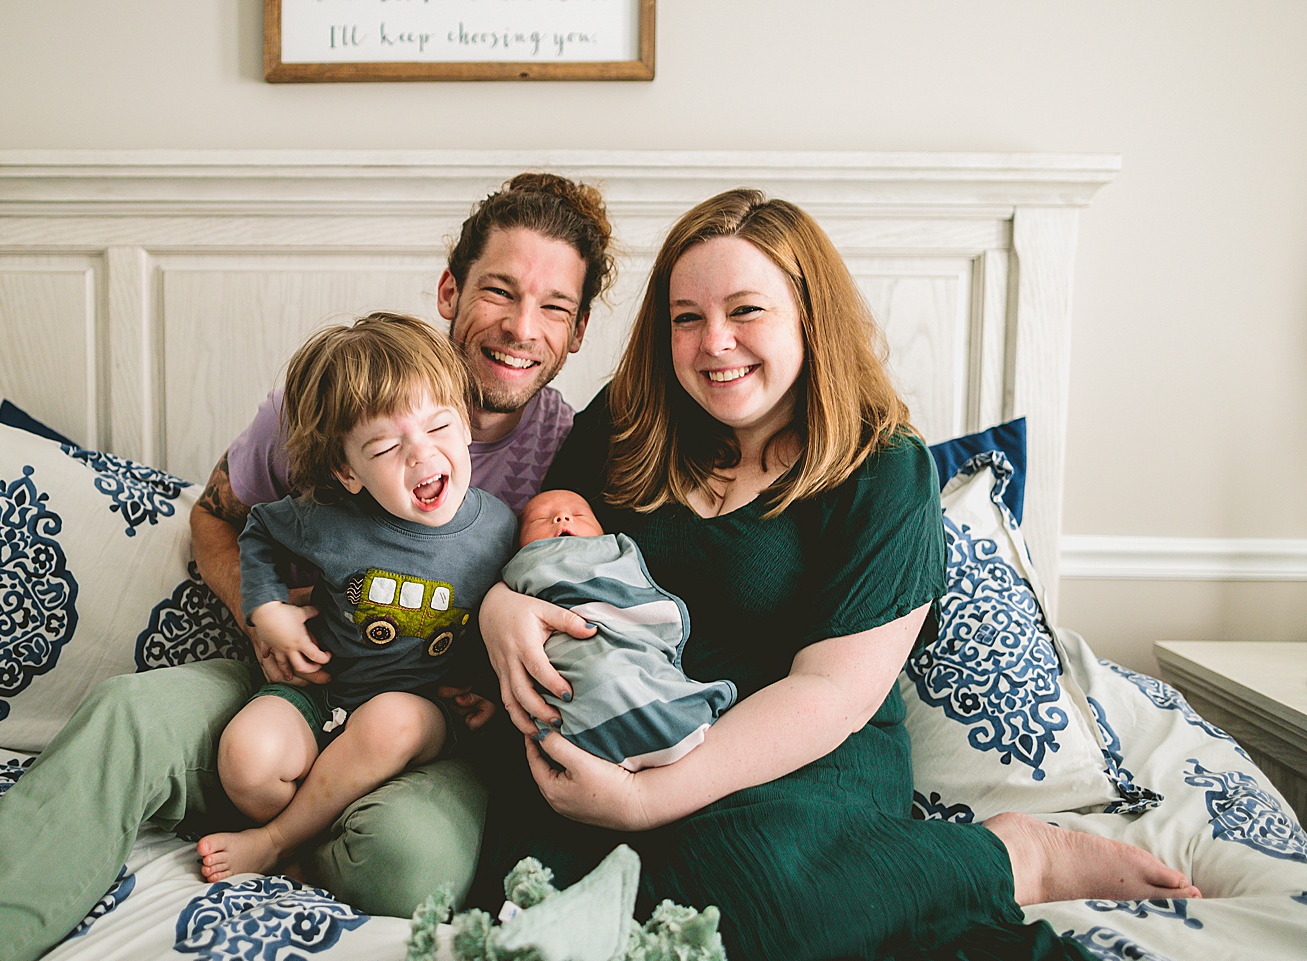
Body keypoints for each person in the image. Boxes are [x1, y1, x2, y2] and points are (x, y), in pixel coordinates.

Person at [0, 171, 615, 961]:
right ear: (449, 289)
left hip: (428, 731)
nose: (521, 326)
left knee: (408, 859)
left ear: (575, 331)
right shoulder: (330, 401)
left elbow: (588, 602)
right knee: (126, 715)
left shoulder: (571, 447)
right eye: (499, 290)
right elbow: (218, 516)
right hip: (299, 679)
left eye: (554, 308)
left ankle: (280, 841)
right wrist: (263, 619)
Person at [467, 188, 1202, 961]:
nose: (715, 341)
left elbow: (832, 692)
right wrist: (500, 609)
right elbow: (543, 550)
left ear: (809, 319)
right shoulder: (629, 420)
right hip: (628, 731)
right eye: (688, 317)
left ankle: (1013, 855)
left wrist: (646, 800)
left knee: (755, 909)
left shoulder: (882, 469)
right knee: (535, 899)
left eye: (746, 310)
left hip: (796, 758)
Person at [197, 315, 518, 883]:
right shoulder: (327, 518)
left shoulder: (499, 530)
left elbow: (507, 623)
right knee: (246, 763)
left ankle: (276, 842)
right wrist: (266, 609)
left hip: (423, 713)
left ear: (466, 423)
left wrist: (488, 694)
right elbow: (260, 531)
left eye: (440, 425)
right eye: (389, 445)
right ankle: (314, 824)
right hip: (327, 695)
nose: (421, 454)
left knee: (390, 721)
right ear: (347, 470)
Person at [504, 489, 735, 771]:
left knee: (620, 676)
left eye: (579, 514)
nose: (562, 518)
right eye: (540, 519)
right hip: (563, 665)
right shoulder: (521, 568)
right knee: (598, 677)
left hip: (624, 647)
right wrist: (498, 603)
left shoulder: (614, 553)